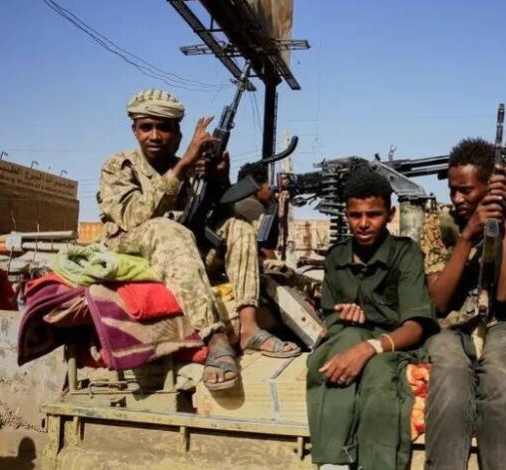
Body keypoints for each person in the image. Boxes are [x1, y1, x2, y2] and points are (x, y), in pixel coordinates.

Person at [97, 89, 298, 391]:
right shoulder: (119, 166)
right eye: (146, 127)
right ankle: (215, 337)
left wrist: (218, 180)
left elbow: (213, 219)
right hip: (132, 245)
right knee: (167, 229)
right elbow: (133, 217)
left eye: (164, 128)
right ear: (134, 130)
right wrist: (181, 168)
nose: (155, 136)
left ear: (178, 134)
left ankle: (249, 327)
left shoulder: (193, 169)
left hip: (183, 250)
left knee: (238, 227)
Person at [306, 167, 437, 470]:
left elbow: (415, 325)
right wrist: (350, 323)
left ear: (390, 214)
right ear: (346, 215)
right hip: (348, 339)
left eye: (373, 215)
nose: (364, 224)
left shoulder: (406, 254)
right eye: (355, 215)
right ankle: (334, 462)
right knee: (339, 353)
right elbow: (331, 320)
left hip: (394, 346)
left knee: (379, 376)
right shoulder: (337, 257)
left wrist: (371, 345)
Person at [421, 137, 506, 469]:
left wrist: (505, 223)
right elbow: (439, 301)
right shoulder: (438, 224)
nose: (457, 198)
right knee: (450, 384)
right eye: (452, 190)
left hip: (499, 323)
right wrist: (468, 235)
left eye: (466, 191)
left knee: (500, 386)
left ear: (489, 188)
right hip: (452, 326)